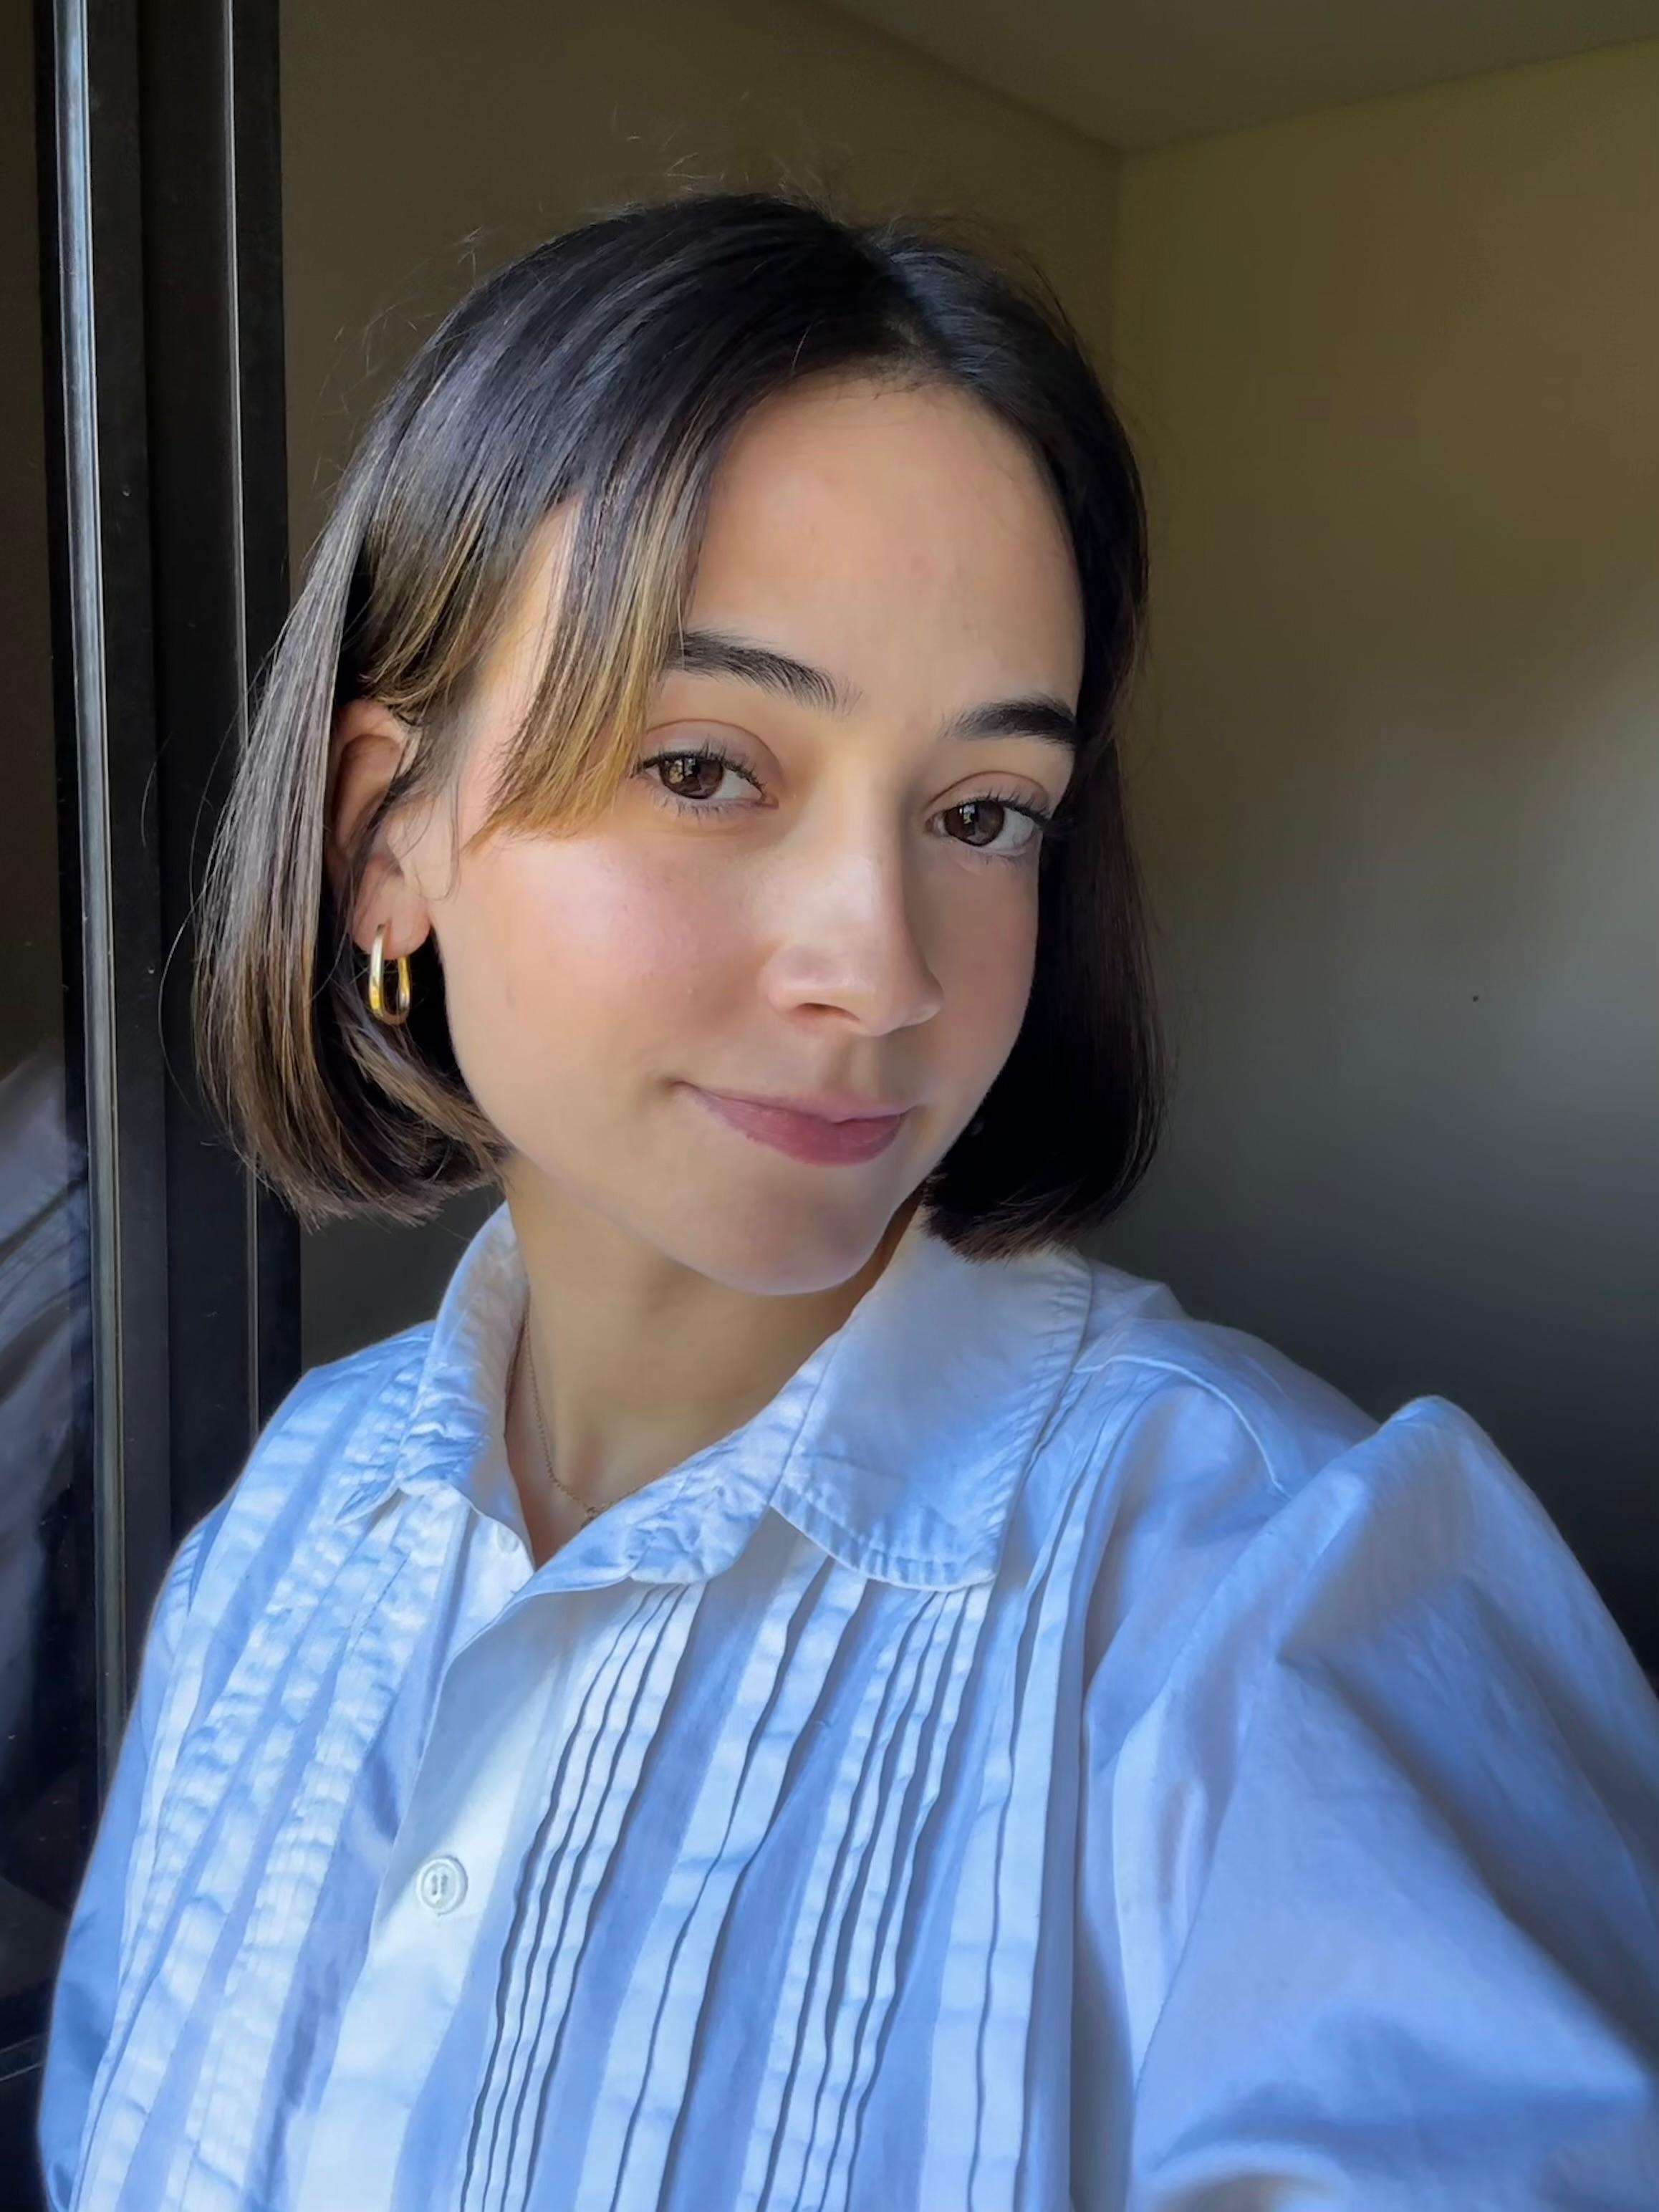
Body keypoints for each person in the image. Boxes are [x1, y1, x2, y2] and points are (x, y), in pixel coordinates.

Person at [36, 185, 1659, 2211]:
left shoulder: (1271, 1605)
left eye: (984, 813)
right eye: (706, 767)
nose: (882, 971)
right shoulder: (276, 1540)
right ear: (387, 840)